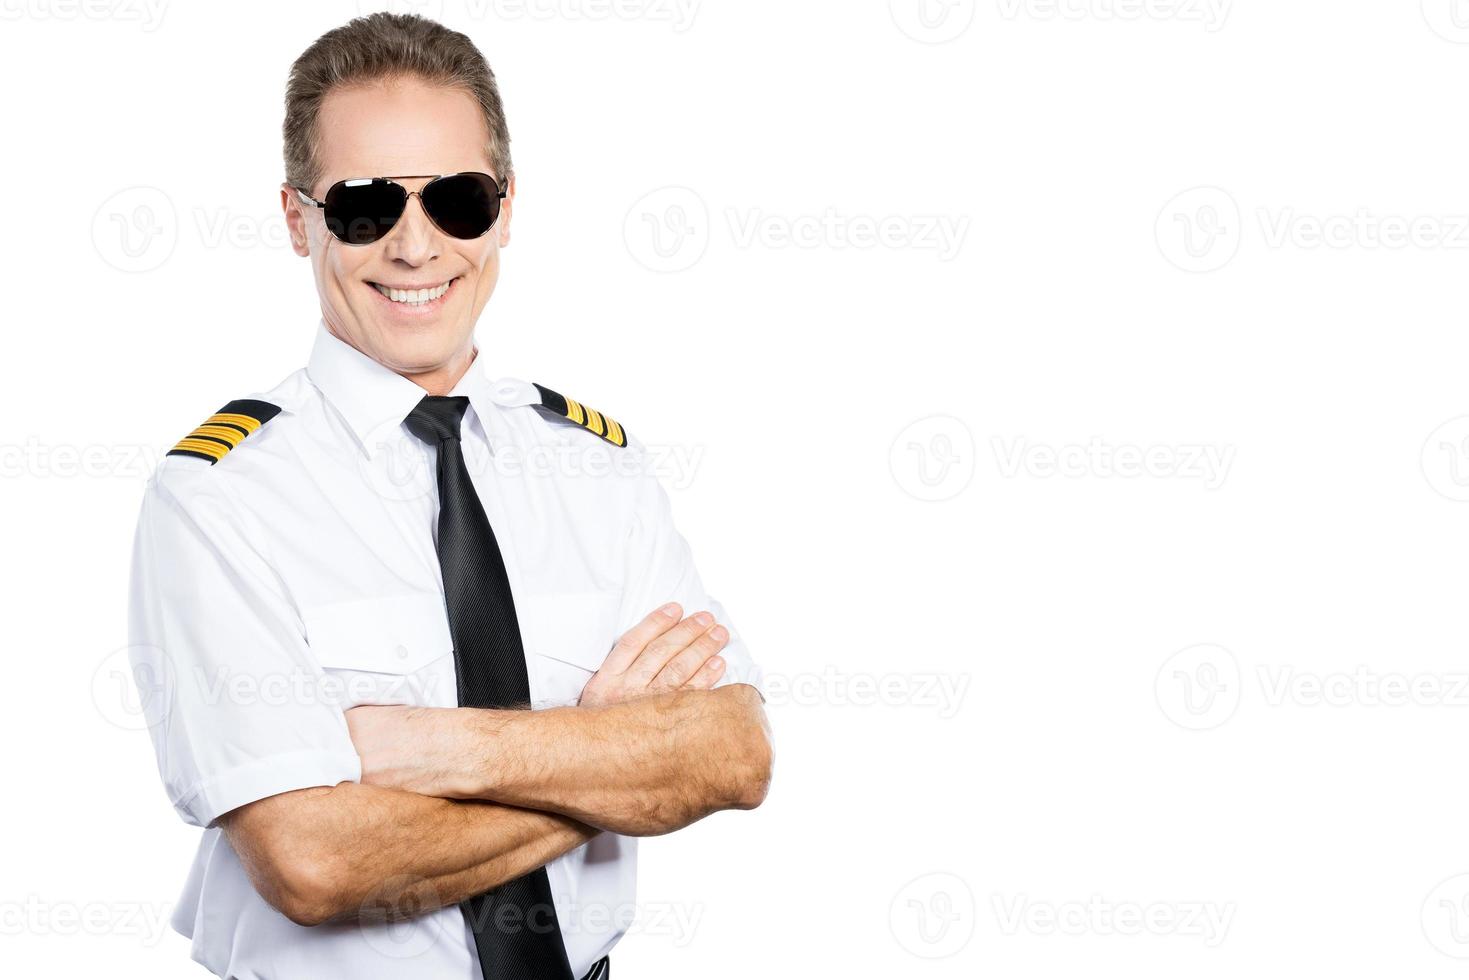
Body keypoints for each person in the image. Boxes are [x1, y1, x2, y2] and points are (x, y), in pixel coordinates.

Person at [126, 12, 772, 979]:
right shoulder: (219, 497)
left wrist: (430, 751)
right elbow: (311, 861)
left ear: (507, 208)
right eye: (364, 206)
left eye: (459, 200)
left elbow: (732, 753)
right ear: (298, 217)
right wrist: (608, 757)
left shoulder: (596, 467)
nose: (416, 247)